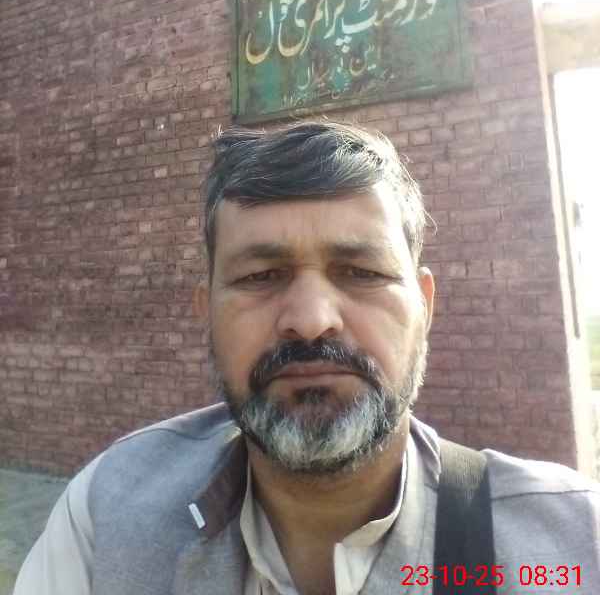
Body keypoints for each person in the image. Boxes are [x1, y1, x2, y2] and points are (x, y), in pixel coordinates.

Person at [14, 120, 600, 595]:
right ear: (206, 312)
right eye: (261, 276)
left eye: (361, 272)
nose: (312, 319)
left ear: (424, 307)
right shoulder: (106, 513)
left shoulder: (575, 546)